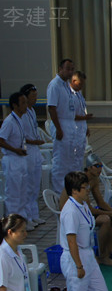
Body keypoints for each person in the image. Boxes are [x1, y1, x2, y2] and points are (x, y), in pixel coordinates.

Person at [60, 172, 108, 291]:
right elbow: (71, 240)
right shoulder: (70, 211)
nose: (88, 190)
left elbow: (87, 233)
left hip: (86, 253)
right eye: (84, 188)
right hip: (75, 258)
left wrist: (91, 256)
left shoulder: (83, 205)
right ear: (74, 191)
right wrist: (79, 266)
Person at [59, 154, 112, 266]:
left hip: (83, 212)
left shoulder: (94, 179)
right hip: (73, 216)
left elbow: (100, 202)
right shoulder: (81, 181)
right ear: (88, 168)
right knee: (106, 219)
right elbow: (90, 210)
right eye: (96, 166)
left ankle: (110, 250)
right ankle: (103, 256)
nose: (100, 169)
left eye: (101, 165)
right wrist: (111, 212)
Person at [47, 58, 78, 192]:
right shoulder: (55, 85)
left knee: (70, 162)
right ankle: (59, 193)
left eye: (72, 69)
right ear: (60, 69)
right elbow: (52, 108)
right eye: (68, 69)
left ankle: (69, 192)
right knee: (60, 163)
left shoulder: (66, 85)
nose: (70, 72)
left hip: (70, 124)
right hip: (61, 124)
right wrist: (59, 129)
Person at [18, 84, 46, 230]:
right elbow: (20, 137)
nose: (35, 99)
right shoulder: (20, 115)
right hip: (27, 151)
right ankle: (26, 218)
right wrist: (34, 141)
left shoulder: (32, 111)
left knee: (35, 185)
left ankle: (34, 215)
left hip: (35, 151)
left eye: (36, 95)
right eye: (33, 96)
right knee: (28, 186)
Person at [0, 93, 30, 226]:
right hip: (12, 159)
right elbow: (1, 140)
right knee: (13, 193)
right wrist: (15, 150)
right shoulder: (9, 122)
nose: (26, 106)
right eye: (23, 103)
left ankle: (21, 221)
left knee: (23, 192)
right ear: (15, 105)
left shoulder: (20, 119)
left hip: (21, 159)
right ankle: (11, 224)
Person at [69, 70, 93, 172]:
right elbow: (70, 115)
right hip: (74, 130)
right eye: (80, 83)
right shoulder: (69, 95)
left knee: (80, 157)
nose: (82, 86)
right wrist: (84, 118)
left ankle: (78, 175)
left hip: (81, 129)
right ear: (74, 81)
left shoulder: (79, 93)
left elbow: (83, 111)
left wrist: (86, 126)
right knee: (74, 158)